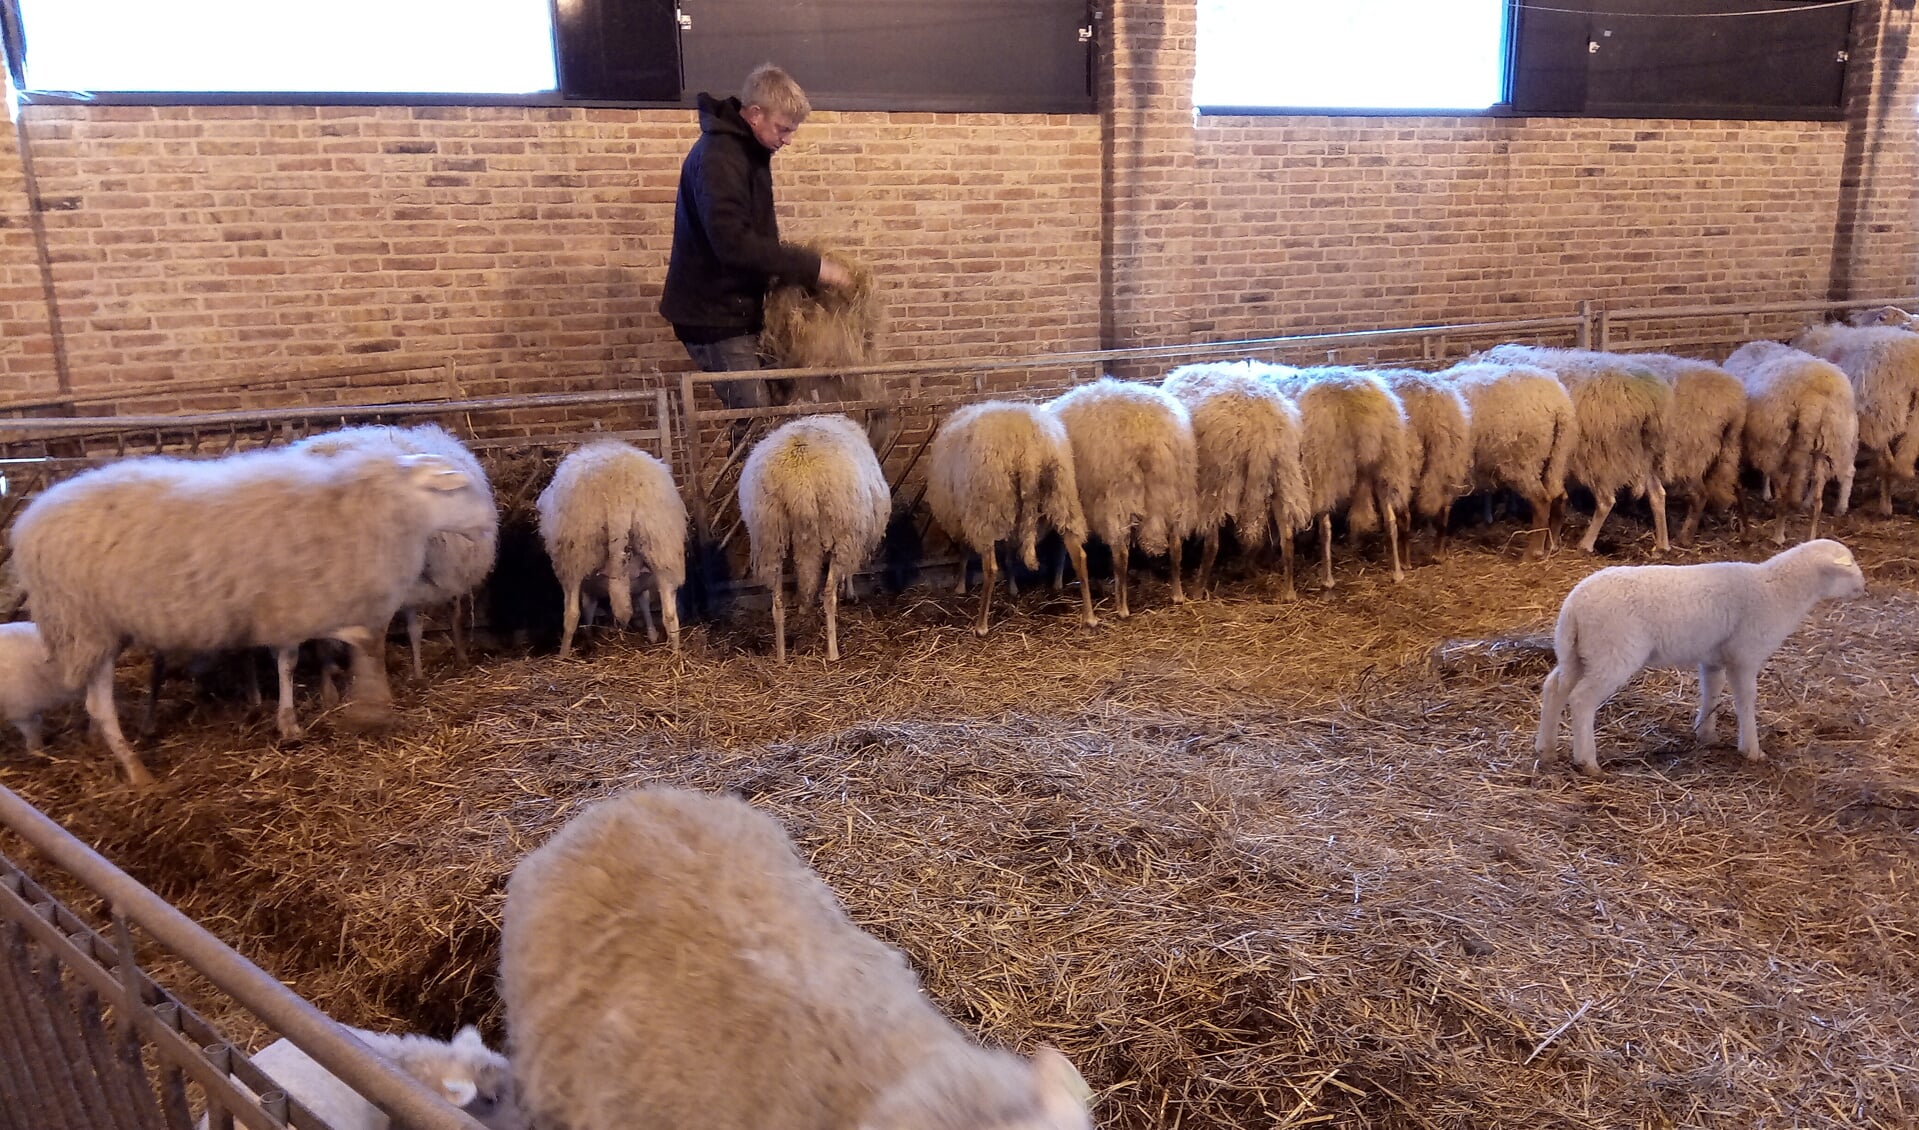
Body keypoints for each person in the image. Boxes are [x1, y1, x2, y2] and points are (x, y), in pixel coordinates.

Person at [660, 63, 852, 411]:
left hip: (734, 308)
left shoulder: (746, 152)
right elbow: (733, 244)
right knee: (755, 421)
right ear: (754, 114)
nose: (788, 140)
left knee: (770, 410)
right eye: (782, 129)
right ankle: (750, 465)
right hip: (715, 316)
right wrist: (813, 267)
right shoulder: (721, 157)